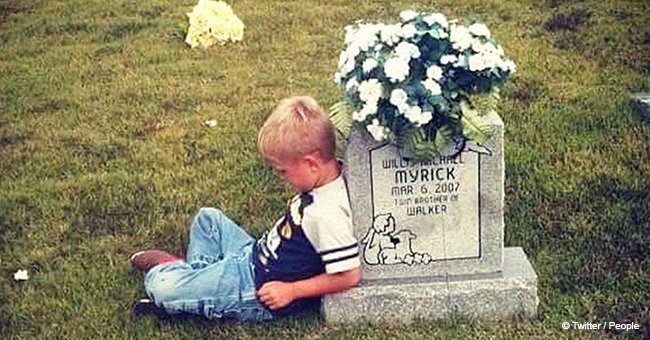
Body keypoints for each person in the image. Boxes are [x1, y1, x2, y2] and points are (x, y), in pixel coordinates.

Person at [130, 96, 361, 321]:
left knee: (164, 289)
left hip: (255, 288)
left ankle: (170, 268)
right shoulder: (326, 177)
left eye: (282, 171)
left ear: (311, 163)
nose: (280, 177)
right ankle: (196, 282)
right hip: (251, 255)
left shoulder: (326, 214)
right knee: (208, 219)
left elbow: (348, 276)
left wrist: (291, 291)